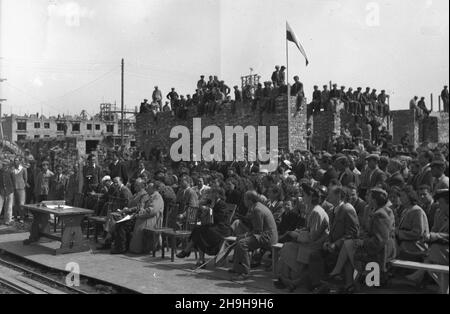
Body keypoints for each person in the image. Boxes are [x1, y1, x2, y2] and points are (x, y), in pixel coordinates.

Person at [327, 188, 396, 293]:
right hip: (372, 245)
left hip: (380, 251)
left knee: (348, 246)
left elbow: (380, 240)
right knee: (348, 247)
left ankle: (340, 275)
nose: (366, 198)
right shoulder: (373, 210)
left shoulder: (381, 214)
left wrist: (363, 242)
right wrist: (361, 237)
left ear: (374, 200)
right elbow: (364, 228)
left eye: (369, 196)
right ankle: (347, 283)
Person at [275, 184, 329, 292]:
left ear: (311, 197)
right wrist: (298, 232)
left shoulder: (316, 212)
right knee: (287, 248)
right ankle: (288, 281)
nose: (302, 197)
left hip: (314, 247)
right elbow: (308, 229)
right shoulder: (312, 210)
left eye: (304, 195)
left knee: (287, 249)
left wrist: (297, 235)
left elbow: (312, 236)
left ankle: (290, 282)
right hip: (308, 243)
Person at [308, 186, 359, 291]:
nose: (328, 196)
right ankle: (317, 285)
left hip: (343, 248)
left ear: (339, 196)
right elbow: (330, 232)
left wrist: (336, 244)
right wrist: (327, 242)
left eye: (331, 194)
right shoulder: (332, 211)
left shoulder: (347, 209)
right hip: (332, 246)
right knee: (315, 255)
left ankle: (326, 286)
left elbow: (353, 233)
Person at [176, 188, 232, 267]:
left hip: (222, 228)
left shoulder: (222, 204)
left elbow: (220, 218)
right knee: (198, 229)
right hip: (214, 226)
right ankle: (194, 255)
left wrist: (209, 210)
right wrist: (205, 209)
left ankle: (190, 252)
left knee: (199, 231)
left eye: (213, 193)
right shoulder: (212, 203)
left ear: (217, 194)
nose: (211, 194)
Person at [229, 191, 278, 280]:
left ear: (250, 201)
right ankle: (237, 268)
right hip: (264, 235)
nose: (243, 201)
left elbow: (258, 230)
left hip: (268, 237)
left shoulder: (257, 209)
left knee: (242, 244)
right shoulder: (256, 206)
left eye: (245, 199)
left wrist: (244, 235)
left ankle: (245, 272)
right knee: (239, 240)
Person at [405, 189, 449, 289]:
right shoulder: (439, 212)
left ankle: (420, 275)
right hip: (440, 249)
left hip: (444, 249)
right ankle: (444, 288)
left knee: (432, 254)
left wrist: (434, 236)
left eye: (441, 203)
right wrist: (429, 236)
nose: (439, 205)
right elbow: (434, 229)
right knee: (432, 255)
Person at [109, 178, 152, 254]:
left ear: (141, 186)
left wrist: (128, 210)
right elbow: (131, 204)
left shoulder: (144, 195)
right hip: (128, 214)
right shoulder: (136, 194)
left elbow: (139, 207)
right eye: (135, 184)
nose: (134, 186)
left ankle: (121, 248)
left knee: (120, 225)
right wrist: (126, 208)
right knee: (114, 219)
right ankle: (111, 243)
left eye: (136, 185)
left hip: (135, 217)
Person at [396, 186, 429, 260]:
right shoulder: (405, 210)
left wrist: (398, 233)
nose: (400, 198)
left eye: (403, 196)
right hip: (406, 246)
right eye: (400, 196)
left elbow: (417, 233)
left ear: (410, 196)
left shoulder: (417, 211)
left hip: (415, 248)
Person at [11, 157, 28, 222]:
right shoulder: (12, 169)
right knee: (14, 204)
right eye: (14, 160)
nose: (15, 162)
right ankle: (15, 216)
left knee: (21, 203)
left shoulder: (24, 169)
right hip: (13, 188)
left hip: (21, 188)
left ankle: (21, 218)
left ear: (19, 162)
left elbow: (26, 179)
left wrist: (23, 185)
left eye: (17, 160)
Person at [0, 160, 15, 226]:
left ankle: (8, 220)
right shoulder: (0, 171)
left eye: (5, 164)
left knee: (8, 206)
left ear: (8, 165)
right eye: (3, 164)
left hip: (9, 190)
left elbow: (13, 181)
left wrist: (12, 189)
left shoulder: (11, 171)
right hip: (1, 191)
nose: (3, 165)